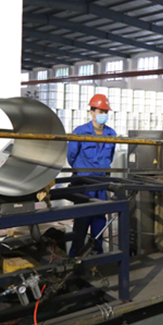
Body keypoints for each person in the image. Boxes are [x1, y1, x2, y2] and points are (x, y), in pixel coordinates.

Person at [67, 94, 116, 255]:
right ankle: (75, 254)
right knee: (82, 220)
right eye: (100, 111)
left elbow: (110, 157)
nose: (103, 115)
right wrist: (83, 171)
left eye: (105, 112)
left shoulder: (111, 134)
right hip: (84, 184)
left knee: (99, 219)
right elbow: (71, 156)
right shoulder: (80, 132)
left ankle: (97, 252)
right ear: (92, 113)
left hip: (101, 183)